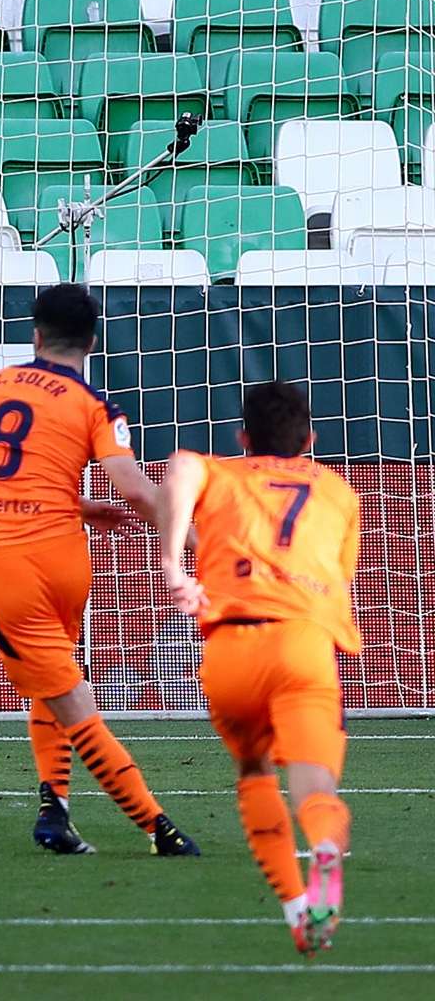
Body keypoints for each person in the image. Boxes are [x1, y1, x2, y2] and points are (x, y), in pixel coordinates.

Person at [0, 284, 199, 857]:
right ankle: (55, 812)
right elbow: (137, 492)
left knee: (70, 699)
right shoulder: (95, 405)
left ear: (36, 335)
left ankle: (157, 828)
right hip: (66, 559)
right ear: (91, 342)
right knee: (56, 683)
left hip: (2, 562)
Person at [158, 380, 358, 957]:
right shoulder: (339, 492)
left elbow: (179, 469)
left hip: (230, 649)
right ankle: (323, 846)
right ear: (311, 440)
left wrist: (174, 565)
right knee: (315, 786)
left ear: (243, 438)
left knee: (253, 769)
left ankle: (297, 908)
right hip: (302, 645)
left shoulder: (222, 473)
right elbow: (337, 578)